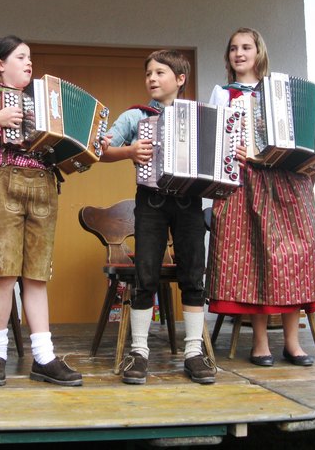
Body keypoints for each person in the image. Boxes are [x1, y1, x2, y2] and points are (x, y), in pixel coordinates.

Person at [0, 35, 82, 387]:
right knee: (5, 274)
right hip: (5, 182)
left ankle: (44, 357)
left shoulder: (45, 103)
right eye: (21, 57)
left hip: (45, 185)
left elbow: (65, 155)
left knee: (37, 276)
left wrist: (85, 151)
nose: (29, 63)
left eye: (30, 58)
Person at [205, 27, 315, 367]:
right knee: (254, 260)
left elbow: (313, 136)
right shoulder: (223, 94)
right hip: (245, 185)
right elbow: (211, 138)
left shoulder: (281, 90)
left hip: (288, 182)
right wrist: (228, 147)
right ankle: (260, 343)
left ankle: (293, 343)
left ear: (258, 52)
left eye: (246, 47)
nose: (239, 53)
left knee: (296, 257)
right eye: (233, 48)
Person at [100, 50, 217, 385]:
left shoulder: (200, 116)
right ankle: (139, 351)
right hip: (151, 201)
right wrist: (128, 151)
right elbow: (102, 150)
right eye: (148, 73)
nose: (152, 78)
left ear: (180, 79)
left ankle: (194, 352)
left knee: (193, 274)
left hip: (190, 202)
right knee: (146, 272)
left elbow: (221, 151)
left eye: (160, 72)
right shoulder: (135, 116)